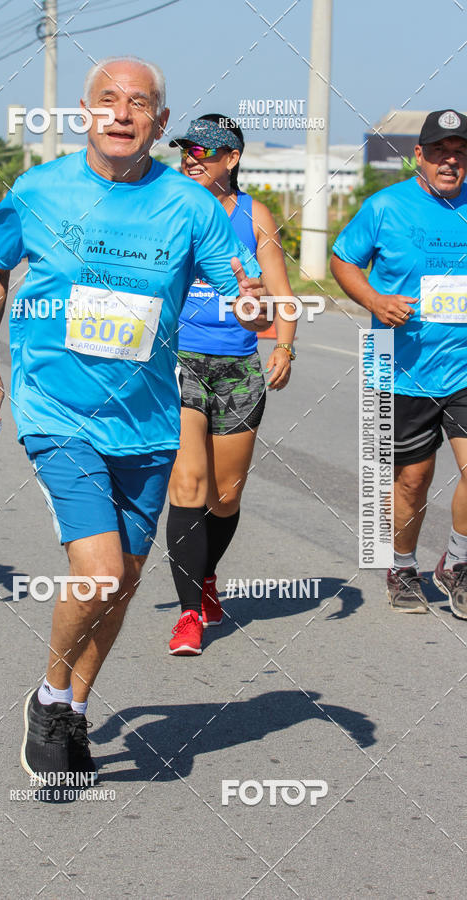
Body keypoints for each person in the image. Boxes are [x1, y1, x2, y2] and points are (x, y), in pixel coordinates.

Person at [0, 56, 271, 787]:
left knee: (127, 581)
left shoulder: (191, 204)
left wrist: (255, 306)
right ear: (85, 112)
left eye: (140, 103)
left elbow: (242, 283)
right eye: (109, 100)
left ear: (160, 123)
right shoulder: (40, 189)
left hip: (150, 423)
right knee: (100, 572)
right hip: (59, 412)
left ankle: (72, 704)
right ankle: (48, 700)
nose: (123, 112)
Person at [165, 115, 297, 655]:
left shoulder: (254, 215)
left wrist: (284, 344)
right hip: (178, 361)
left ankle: (206, 575)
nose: (190, 160)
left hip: (239, 365)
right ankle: (189, 612)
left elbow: (282, 295)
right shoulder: (167, 207)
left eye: (204, 152)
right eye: (185, 152)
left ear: (232, 159)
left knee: (223, 497)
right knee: (189, 485)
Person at [331, 109, 467, 618]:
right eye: (439, 152)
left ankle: (457, 562)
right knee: (413, 479)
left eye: (459, 152)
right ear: (420, 156)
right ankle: (403, 566)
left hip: (464, 366)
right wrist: (374, 301)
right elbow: (343, 260)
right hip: (398, 365)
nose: (450, 161)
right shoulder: (385, 207)